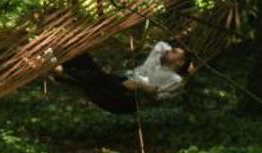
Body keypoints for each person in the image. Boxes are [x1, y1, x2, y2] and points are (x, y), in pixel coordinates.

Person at [58, 40, 197, 115]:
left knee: (96, 79)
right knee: (88, 67)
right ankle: (60, 61)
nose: (168, 51)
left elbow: (158, 97)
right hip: (121, 83)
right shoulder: (156, 61)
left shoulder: (174, 80)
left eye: (173, 52)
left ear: (180, 62)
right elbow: (161, 45)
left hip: (125, 99)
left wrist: (141, 87)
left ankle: (62, 71)